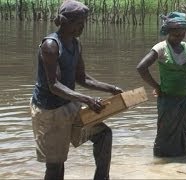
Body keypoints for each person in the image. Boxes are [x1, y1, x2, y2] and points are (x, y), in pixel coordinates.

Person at [30, 1, 123, 179]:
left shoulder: (76, 43)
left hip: (68, 105)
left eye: (84, 22)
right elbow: (54, 85)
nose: (83, 26)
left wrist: (112, 89)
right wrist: (87, 100)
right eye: (79, 23)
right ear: (66, 22)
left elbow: (82, 78)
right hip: (49, 111)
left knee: (104, 135)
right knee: (56, 166)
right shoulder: (50, 45)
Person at [136, 12, 186, 157]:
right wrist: (157, 87)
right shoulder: (161, 48)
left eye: (182, 34)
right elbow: (141, 67)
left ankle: (183, 161)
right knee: (165, 134)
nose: (179, 38)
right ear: (168, 32)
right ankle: (160, 165)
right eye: (175, 35)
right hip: (168, 100)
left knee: (185, 133)